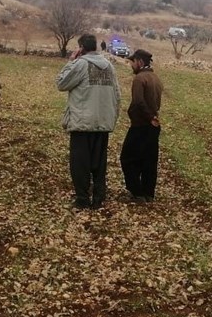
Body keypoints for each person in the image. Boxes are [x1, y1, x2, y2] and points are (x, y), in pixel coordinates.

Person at [57, 33, 120, 209]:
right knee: (99, 164)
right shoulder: (109, 66)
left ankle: (82, 199)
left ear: (81, 48)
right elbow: (117, 95)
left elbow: (61, 83)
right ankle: (99, 198)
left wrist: (71, 61)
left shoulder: (80, 64)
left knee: (80, 164)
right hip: (103, 123)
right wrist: (112, 118)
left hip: (82, 123)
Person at [119, 49, 163, 203]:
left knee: (127, 158)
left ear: (140, 62)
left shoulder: (139, 79)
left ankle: (136, 192)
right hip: (153, 126)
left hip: (140, 125)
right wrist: (153, 117)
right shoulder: (156, 78)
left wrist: (149, 117)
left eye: (133, 62)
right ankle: (148, 192)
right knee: (149, 160)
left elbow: (138, 102)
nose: (131, 65)